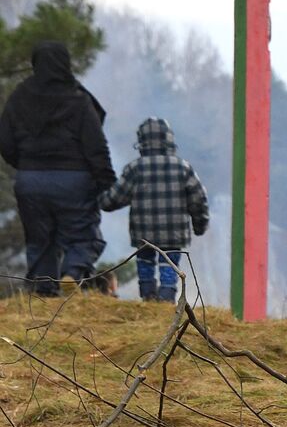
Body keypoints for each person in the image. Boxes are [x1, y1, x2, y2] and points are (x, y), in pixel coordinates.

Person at [0, 41, 115, 294]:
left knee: (40, 242)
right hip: (73, 181)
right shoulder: (79, 99)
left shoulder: (19, 96)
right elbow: (96, 146)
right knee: (83, 236)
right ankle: (72, 272)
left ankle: (43, 295)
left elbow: (5, 141)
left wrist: (27, 167)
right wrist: (106, 181)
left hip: (30, 181)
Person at [98, 117, 210, 302]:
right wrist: (200, 225)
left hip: (143, 231)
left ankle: (148, 297)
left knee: (145, 263)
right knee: (169, 264)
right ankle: (167, 298)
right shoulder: (183, 168)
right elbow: (198, 200)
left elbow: (114, 198)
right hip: (174, 232)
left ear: (141, 141)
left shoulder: (135, 169)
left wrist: (100, 200)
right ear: (169, 140)